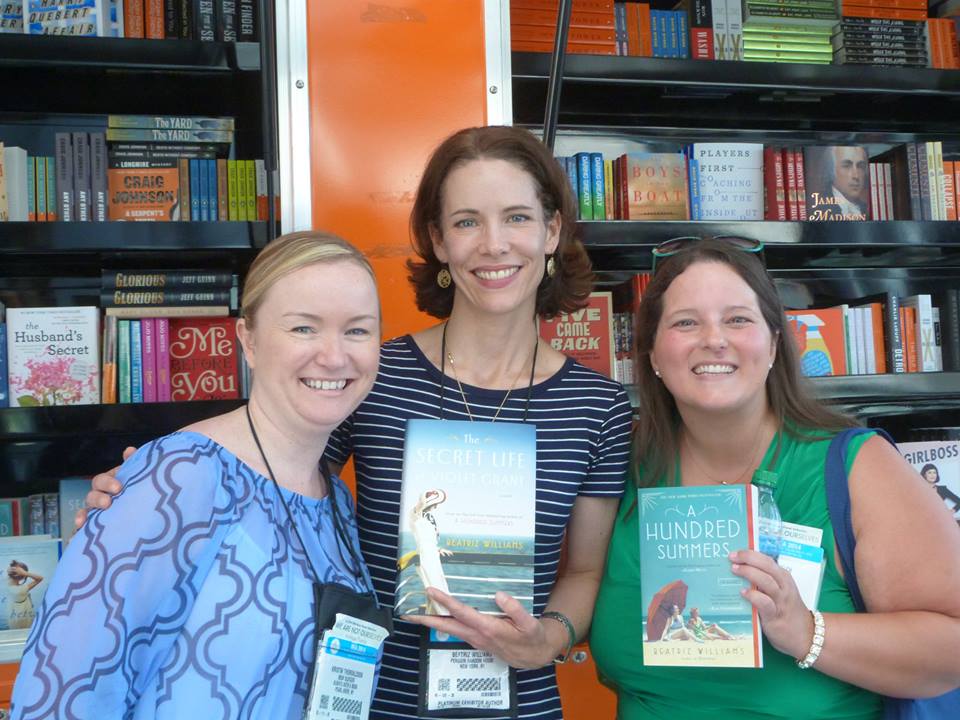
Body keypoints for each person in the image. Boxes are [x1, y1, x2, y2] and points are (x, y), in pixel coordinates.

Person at [80, 126, 633, 719]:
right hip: (368, 701)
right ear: (438, 240)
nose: (493, 244)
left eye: (517, 218)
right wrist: (156, 493)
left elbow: (584, 570)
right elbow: (270, 482)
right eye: (467, 221)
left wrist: (548, 638)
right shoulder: (369, 373)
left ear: (551, 231)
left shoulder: (598, 406)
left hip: (520, 704)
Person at [12, 232, 384, 719]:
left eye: (357, 330)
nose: (334, 357)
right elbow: (62, 692)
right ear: (248, 340)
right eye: (303, 328)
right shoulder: (180, 477)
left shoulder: (335, 502)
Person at [591, 236, 960, 719]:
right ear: (653, 355)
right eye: (685, 322)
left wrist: (806, 632)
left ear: (774, 345)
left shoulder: (856, 467)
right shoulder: (618, 469)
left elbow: (950, 650)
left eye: (738, 319)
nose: (714, 339)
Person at [409, 489, 453, 614]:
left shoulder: (429, 518)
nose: (436, 506)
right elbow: (418, 508)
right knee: (437, 592)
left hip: (433, 556)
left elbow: (428, 539)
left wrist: (438, 549)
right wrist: (426, 498)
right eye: (435, 503)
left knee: (439, 590)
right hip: (425, 557)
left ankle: (436, 619)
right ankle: (446, 617)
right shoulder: (415, 515)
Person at [5, 561, 43, 630]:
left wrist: (11, 571)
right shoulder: (22, 589)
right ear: (23, 576)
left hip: (13, 618)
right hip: (24, 619)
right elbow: (40, 578)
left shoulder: (7, 586)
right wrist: (25, 573)